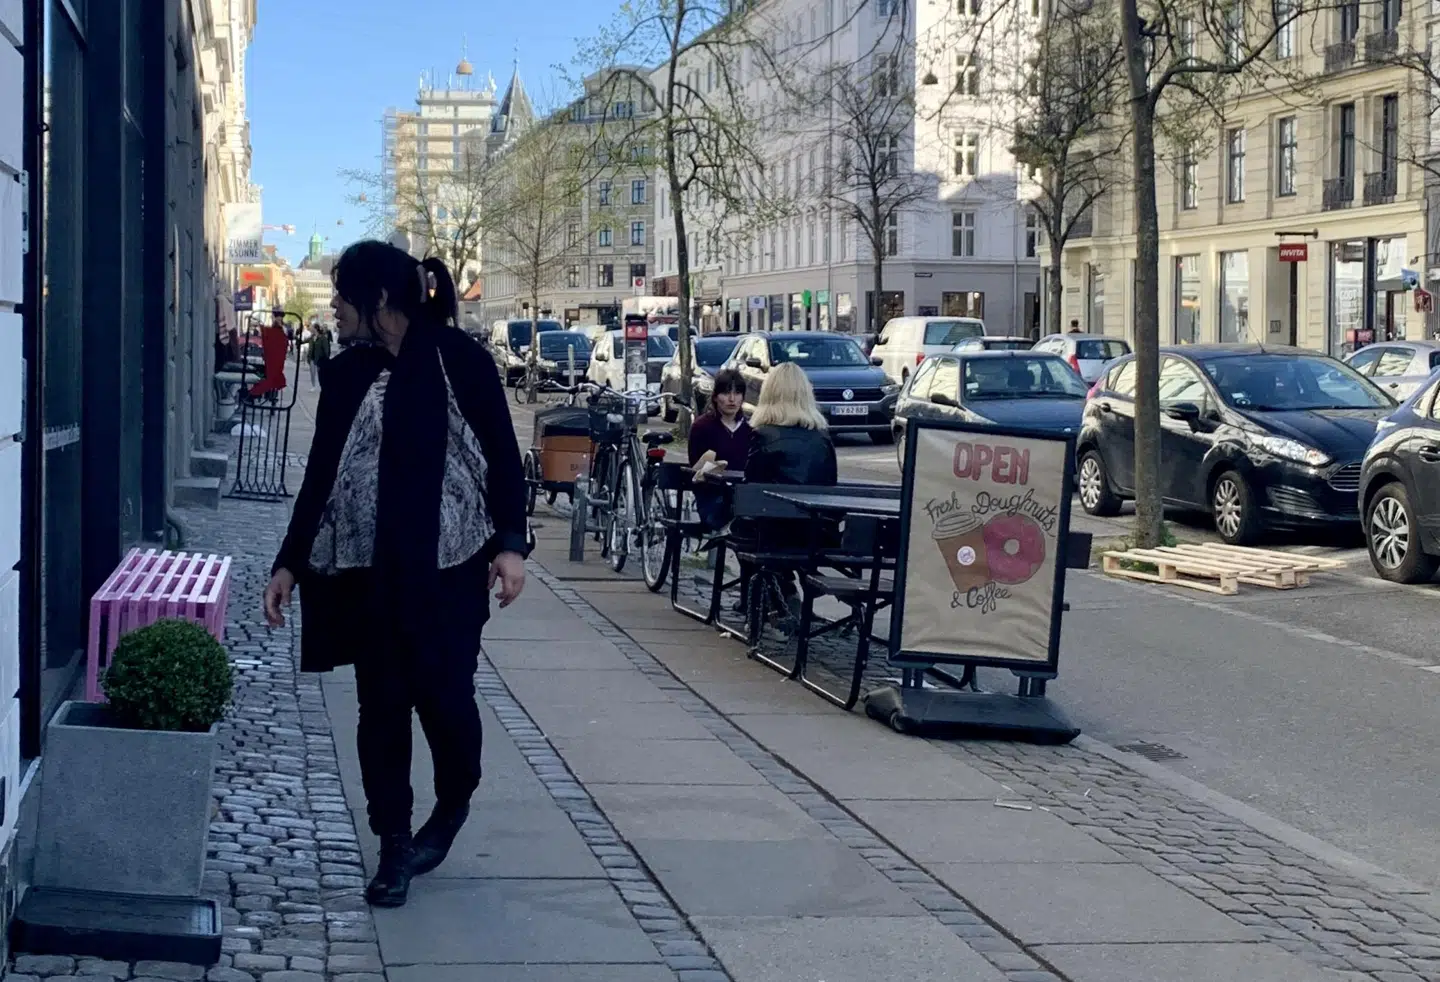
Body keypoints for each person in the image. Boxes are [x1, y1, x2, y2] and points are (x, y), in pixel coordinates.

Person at [262, 240, 529, 909]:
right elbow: (321, 471)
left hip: (450, 569)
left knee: (447, 703)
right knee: (380, 709)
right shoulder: (348, 374)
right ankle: (394, 844)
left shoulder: (459, 360)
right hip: (368, 571)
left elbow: (501, 454)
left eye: (342, 295)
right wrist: (289, 562)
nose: (334, 307)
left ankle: (455, 797)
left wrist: (511, 543)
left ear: (377, 299)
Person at [745, 361, 837, 486]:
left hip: (772, 504)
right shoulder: (822, 438)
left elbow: (752, 483)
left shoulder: (762, 436)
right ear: (806, 395)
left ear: (768, 394)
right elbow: (830, 480)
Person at [686, 368, 750, 530]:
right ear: (715, 396)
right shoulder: (702, 427)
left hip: (745, 499)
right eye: (726, 393)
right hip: (712, 499)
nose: (731, 399)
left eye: (737, 393)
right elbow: (696, 471)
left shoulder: (750, 429)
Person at [307, 324, 332, 389]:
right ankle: (313, 386)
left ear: (315, 329)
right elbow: (305, 341)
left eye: (312, 328)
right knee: (312, 373)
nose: (311, 329)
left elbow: (326, 348)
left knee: (320, 373)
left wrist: (326, 358)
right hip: (312, 357)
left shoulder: (323, 338)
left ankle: (322, 386)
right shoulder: (312, 337)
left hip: (320, 358)